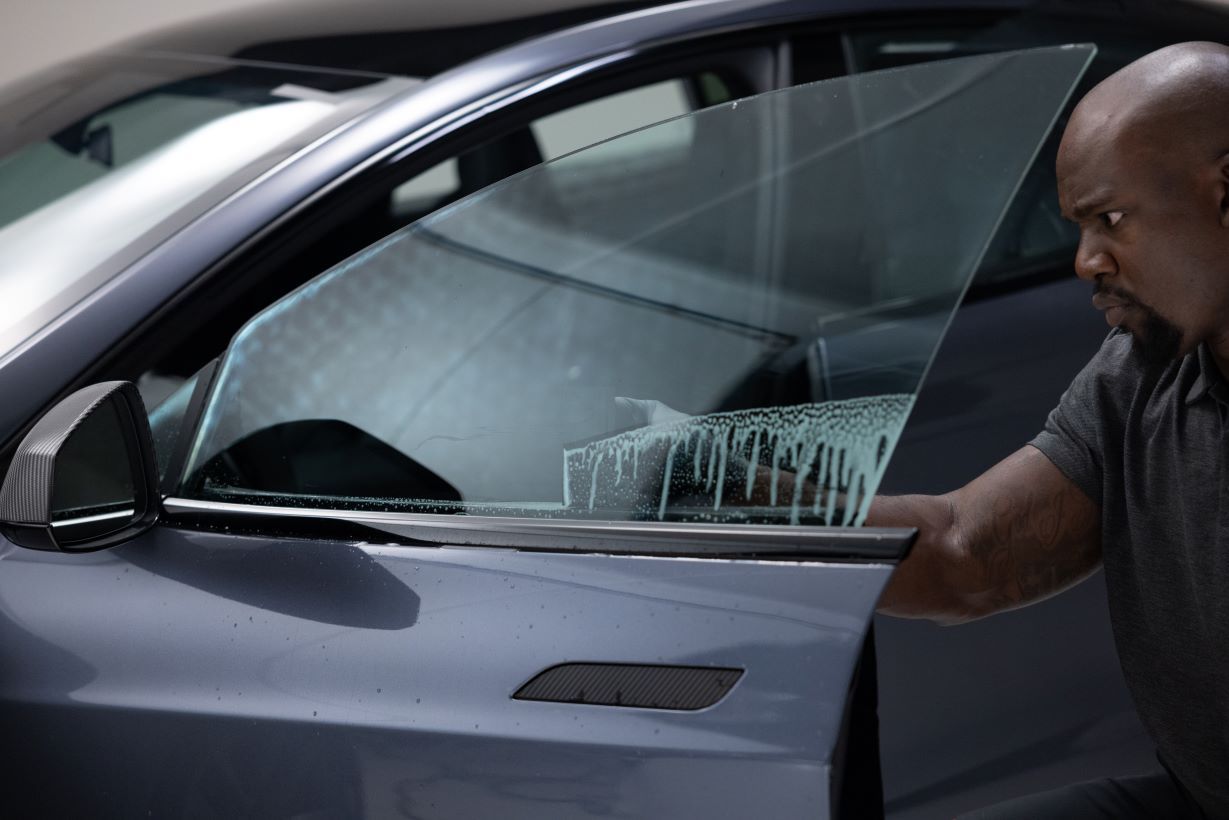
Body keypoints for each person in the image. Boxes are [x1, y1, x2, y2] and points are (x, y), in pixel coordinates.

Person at [871, 41, 1229, 819]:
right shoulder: (1142, 375)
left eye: (1109, 219)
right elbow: (966, 553)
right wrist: (729, 497)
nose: (1084, 262)